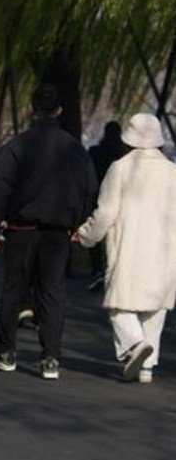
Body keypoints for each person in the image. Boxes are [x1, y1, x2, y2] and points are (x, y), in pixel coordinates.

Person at [0, 85, 98, 380]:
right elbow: (89, 189)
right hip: (58, 232)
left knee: (14, 288)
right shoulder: (75, 149)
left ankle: (5, 351)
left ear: (32, 109)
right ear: (60, 110)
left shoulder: (17, 145)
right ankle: (50, 358)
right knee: (53, 292)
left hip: (21, 228)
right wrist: (78, 223)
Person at [75, 113, 176, 384]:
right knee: (155, 311)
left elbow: (105, 213)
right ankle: (147, 369)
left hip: (128, 250)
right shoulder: (172, 171)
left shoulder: (120, 168)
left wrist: (85, 235)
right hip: (165, 252)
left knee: (118, 304)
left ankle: (134, 345)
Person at [85, 121, 127, 291]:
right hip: (119, 198)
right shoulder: (123, 155)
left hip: (97, 195)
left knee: (96, 232)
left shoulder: (95, 152)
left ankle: (97, 269)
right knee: (116, 235)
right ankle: (112, 268)